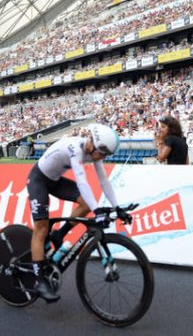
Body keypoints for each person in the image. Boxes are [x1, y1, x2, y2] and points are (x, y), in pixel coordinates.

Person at [26, 123, 122, 303]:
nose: (102, 157)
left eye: (106, 154)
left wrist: (117, 207)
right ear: (92, 141)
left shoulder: (95, 151)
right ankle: (39, 281)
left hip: (54, 180)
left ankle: (59, 234)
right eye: (102, 152)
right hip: (38, 179)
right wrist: (98, 211)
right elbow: (82, 182)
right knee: (41, 227)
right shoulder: (74, 148)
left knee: (85, 204)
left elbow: (104, 182)